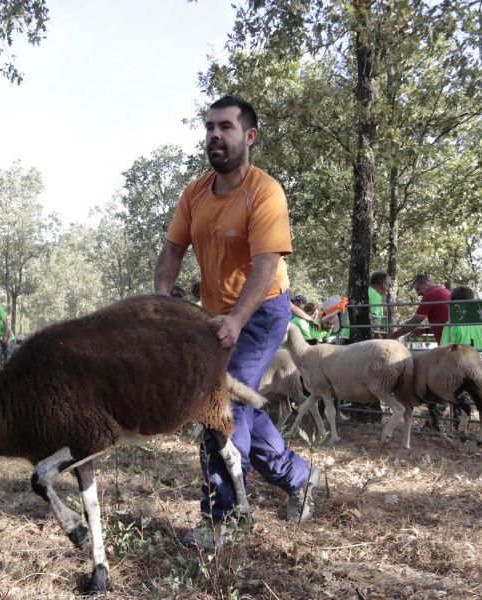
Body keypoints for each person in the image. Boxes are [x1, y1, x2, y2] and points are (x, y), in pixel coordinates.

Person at [154, 95, 317, 551]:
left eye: (225, 127)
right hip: (215, 315)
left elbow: (265, 264)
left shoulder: (264, 192)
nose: (214, 135)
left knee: (219, 408)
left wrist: (237, 318)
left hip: (262, 311)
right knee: (242, 405)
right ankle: (300, 476)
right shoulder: (195, 193)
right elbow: (171, 252)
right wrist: (162, 302)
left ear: (249, 136)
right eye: (209, 127)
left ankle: (221, 520)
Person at [440, 286, 482, 425]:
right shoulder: (476, 323)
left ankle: (455, 423)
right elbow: (480, 345)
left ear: (452, 302)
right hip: (474, 361)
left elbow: (444, 347)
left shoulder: (452, 323)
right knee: (476, 389)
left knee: (450, 392)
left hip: (456, 363)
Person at [387, 274, 450, 344]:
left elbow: (416, 321)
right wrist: (424, 331)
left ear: (425, 283)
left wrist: (393, 336)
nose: (418, 294)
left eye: (418, 289)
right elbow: (444, 324)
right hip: (453, 340)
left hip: (448, 345)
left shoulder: (430, 295)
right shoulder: (443, 291)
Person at [368, 271, 390, 338]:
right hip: (366, 336)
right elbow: (373, 318)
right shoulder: (375, 293)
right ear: (384, 283)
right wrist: (378, 336)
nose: (388, 288)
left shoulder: (368, 290)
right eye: (388, 284)